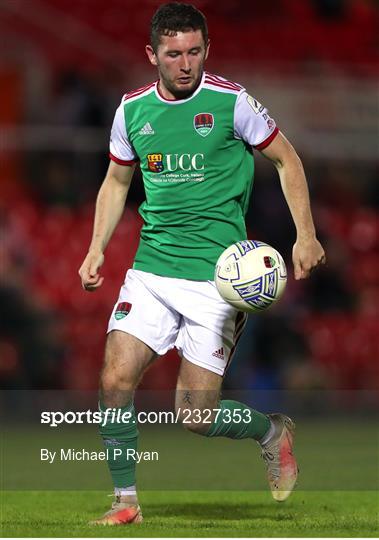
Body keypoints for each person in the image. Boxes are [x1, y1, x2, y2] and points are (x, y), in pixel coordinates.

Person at [79, 2, 326, 526]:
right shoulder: (131, 111)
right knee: (114, 379)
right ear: (153, 55)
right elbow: (117, 181)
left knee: (194, 416)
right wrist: (96, 246)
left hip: (219, 281)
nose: (185, 63)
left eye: (194, 51)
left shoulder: (232, 103)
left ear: (206, 50)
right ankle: (126, 502)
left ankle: (271, 432)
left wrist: (305, 234)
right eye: (173, 54)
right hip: (150, 270)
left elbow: (288, 159)